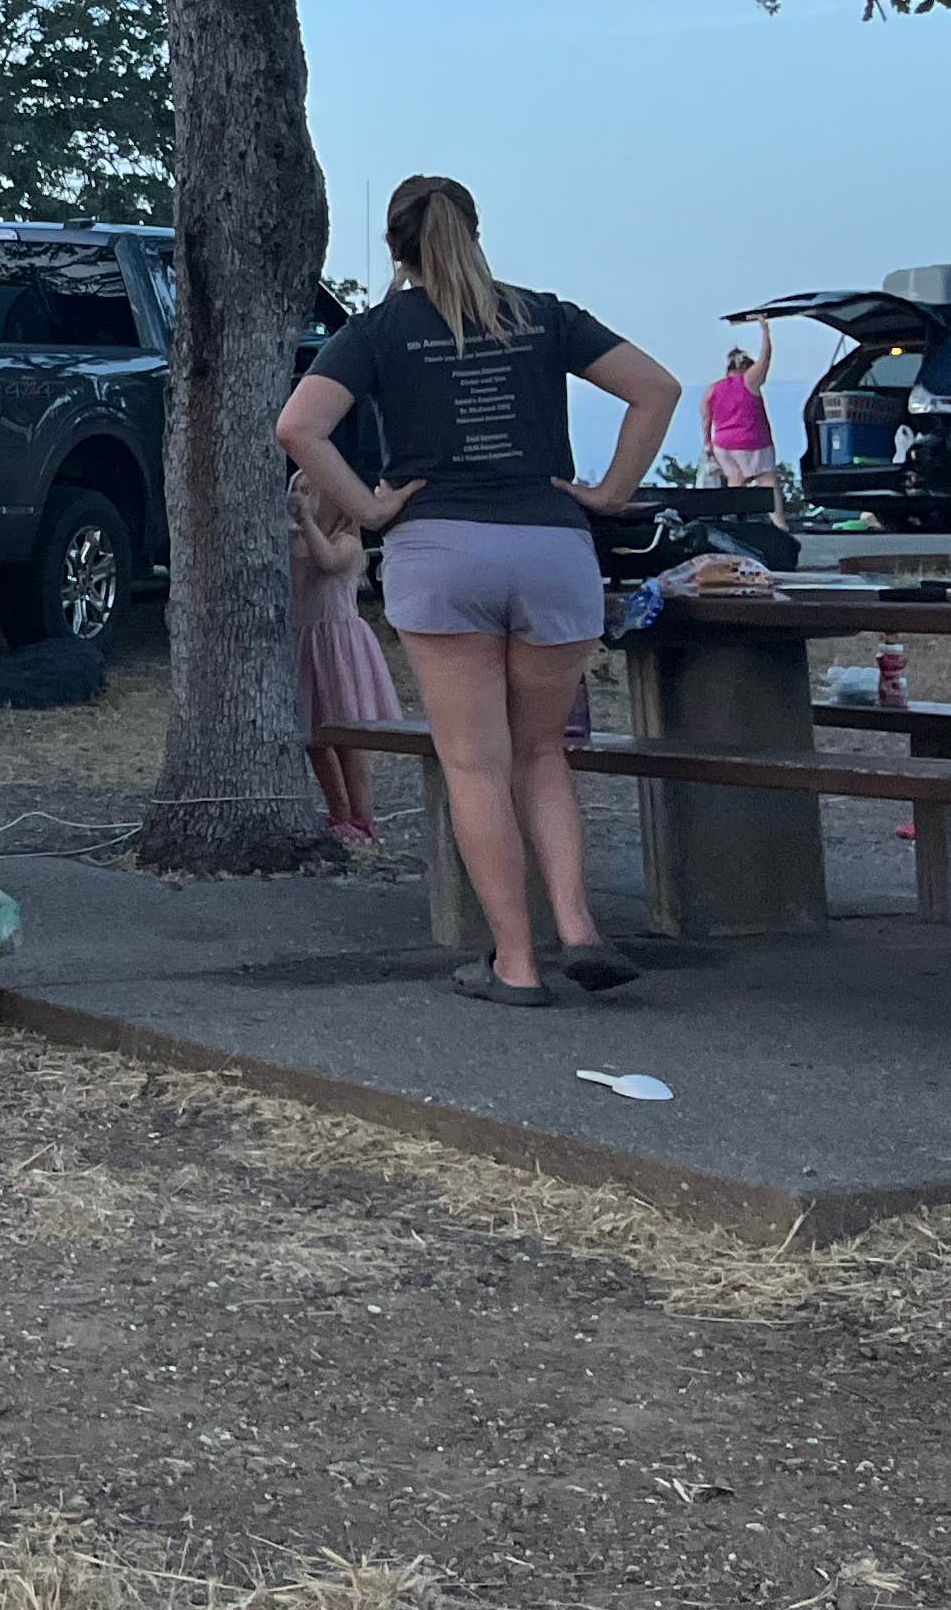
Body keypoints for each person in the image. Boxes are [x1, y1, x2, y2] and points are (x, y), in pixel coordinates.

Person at [277, 175, 681, 1006]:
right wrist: (608, 493)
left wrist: (370, 508)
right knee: (542, 755)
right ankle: (578, 928)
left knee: (474, 764)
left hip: (441, 549)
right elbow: (658, 388)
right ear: (476, 230)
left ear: (397, 248)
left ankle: (515, 964)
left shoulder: (379, 330)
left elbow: (297, 426)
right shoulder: (544, 314)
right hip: (553, 547)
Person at [290, 463, 394, 843]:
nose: (299, 497)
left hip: (337, 646)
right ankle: (339, 812)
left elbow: (328, 562)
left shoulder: (347, 545)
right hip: (304, 643)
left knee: (346, 736)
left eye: (308, 490)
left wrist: (307, 523)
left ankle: (363, 816)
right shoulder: (295, 539)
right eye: (296, 488)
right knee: (313, 736)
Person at [701, 322, 788, 518]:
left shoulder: (712, 389)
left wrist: (707, 443)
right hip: (753, 441)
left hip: (723, 445)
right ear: (747, 366)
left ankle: (736, 521)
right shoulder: (750, 380)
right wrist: (765, 332)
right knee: (767, 480)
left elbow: (706, 418)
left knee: (735, 481)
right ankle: (779, 523)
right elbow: (766, 357)